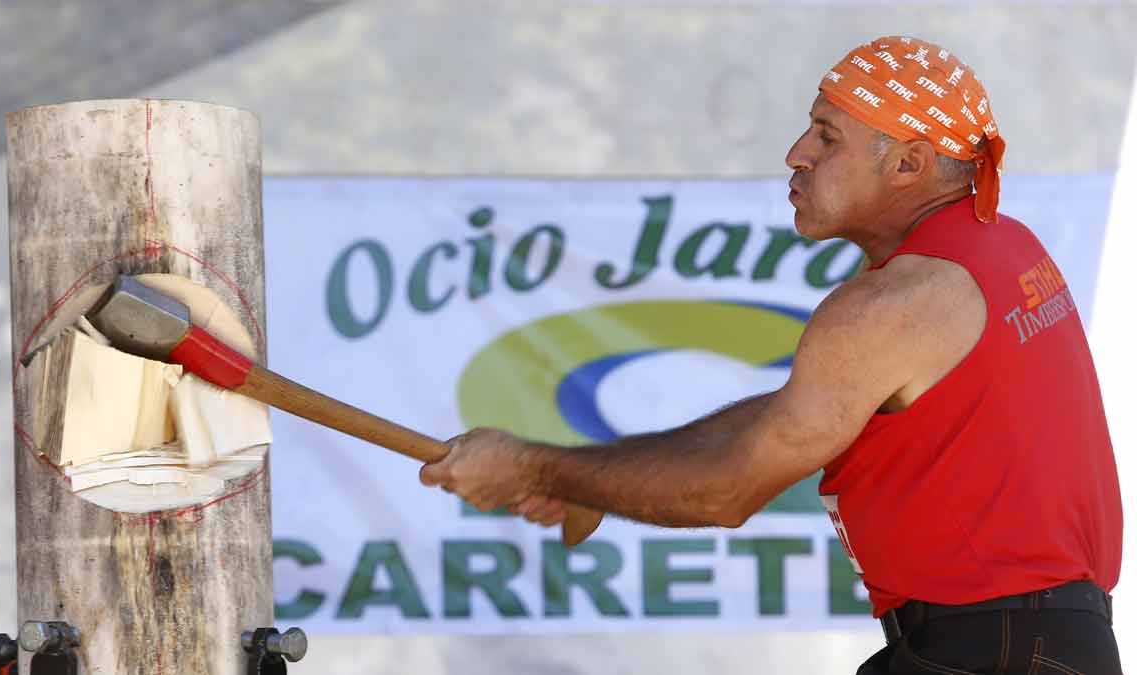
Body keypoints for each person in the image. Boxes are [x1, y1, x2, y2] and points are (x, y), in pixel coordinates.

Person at [419, 36, 1122, 674]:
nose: (796, 152)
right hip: (1031, 641)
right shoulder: (999, 245)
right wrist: (581, 479)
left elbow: (726, 488)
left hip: (994, 648)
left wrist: (535, 465)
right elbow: (783, 419)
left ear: (908, 162)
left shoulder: (896, 303)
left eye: (827, 135)